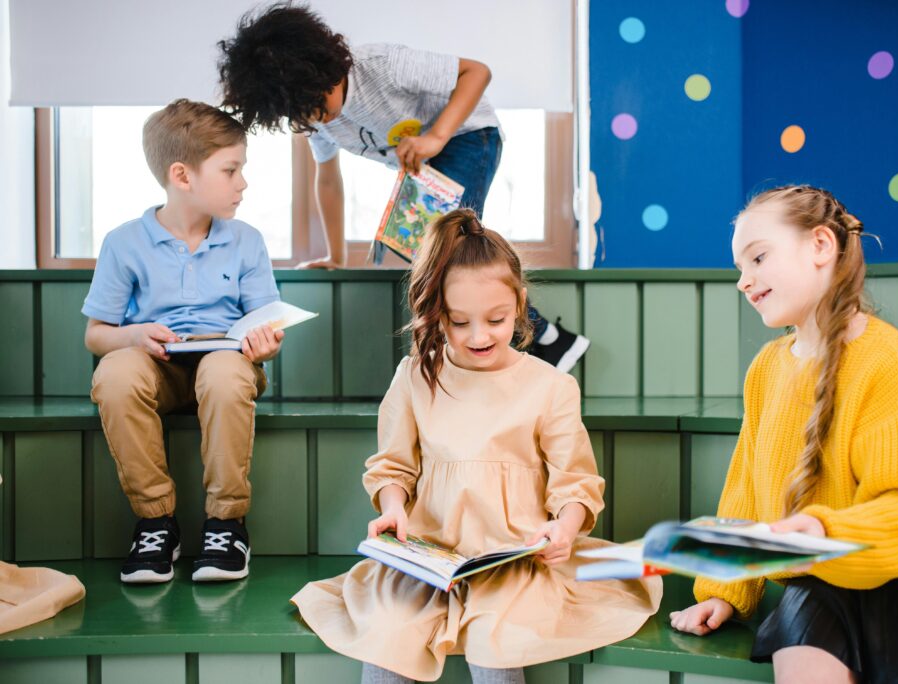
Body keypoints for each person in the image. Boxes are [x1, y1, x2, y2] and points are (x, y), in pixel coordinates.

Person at [669, 185, 898, 683]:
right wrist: (724, 590)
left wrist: (823, 531)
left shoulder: (889, 360)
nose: (744, 282)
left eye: (758, 258)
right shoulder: (766, 370)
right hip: (820, 583)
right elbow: (746, 490)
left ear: (820, 246)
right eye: (739, 269)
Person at [290, 209, 660, 683]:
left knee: (497, 652)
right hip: (429, 562)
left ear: (520, 304)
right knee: (387, 643)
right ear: (435, 312)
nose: (478, 336)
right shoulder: (414, 377)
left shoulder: (550, 386)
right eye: (459, 322)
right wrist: (393, 508)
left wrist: (563, 530)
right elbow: (392, 468)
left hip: (514, 566)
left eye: (496, 319)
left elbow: (576, 483)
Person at [216, 3, 589, 372]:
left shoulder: (381, 66)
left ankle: (536, 340)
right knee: (435, 255)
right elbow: (327, 180)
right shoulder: (318, 123)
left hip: (469, 135)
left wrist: (436, 137)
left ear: (321, 68)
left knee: (449, 249)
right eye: (304, 113)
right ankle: (545, 340)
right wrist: (336, 254)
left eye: (319, 102)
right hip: (430, 165)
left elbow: (477, 72)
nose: (322, 116)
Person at [83, 99, 284, 584]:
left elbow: (268, 325)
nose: (243, 183)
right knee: (114, 374)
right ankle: (156, 522)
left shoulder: (246, 240)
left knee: (220, 369)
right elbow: (96, 335)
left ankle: (226, 523)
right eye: (231, 170)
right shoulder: (124, 242)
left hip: (228, 366)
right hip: (160, 369)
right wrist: (133, 334)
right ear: (183, 175)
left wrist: (266, 344)